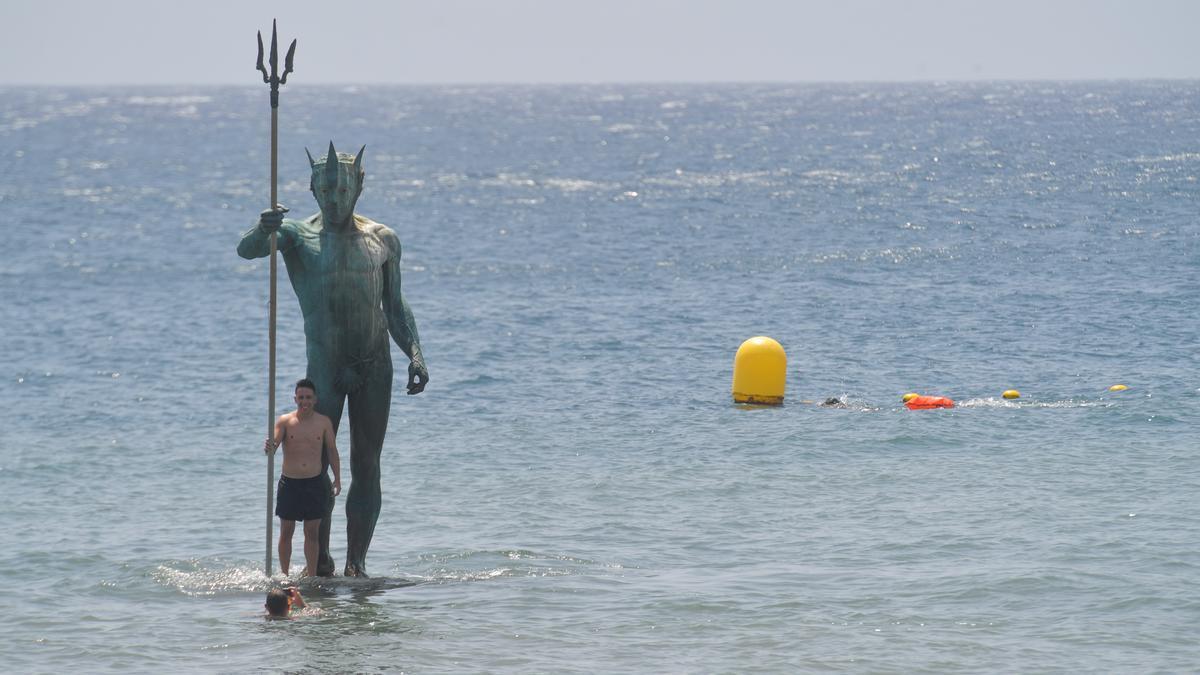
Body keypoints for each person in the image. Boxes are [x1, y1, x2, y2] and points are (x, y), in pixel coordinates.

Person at [239, 143, 428, 577]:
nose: (335, 200)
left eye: (342, 190)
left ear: (358, 186)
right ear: (312, 189)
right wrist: (261, 227)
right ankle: (319, 561)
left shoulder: (383, 239)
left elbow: (395, 306)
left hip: (374, 363)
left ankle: (356, 564)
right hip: (324, 364)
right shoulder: (296, 235)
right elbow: (247, 251)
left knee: (367, 463)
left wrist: (416, 353)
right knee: (316, 465)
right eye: (326, 191)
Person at [266, 379, 342, 577]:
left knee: (312, 532)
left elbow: (332, 451)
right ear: (295, 399)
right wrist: (269, 446)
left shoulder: (323, 422)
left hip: (314, 483)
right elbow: (273, 445)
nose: (304, 401)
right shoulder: (285, 421)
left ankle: (312, 576)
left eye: (308, 397)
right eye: (301, 398)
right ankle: (284, 575)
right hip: (290, 483)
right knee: (286, 531)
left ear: (315, 399)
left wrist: (338, 478)